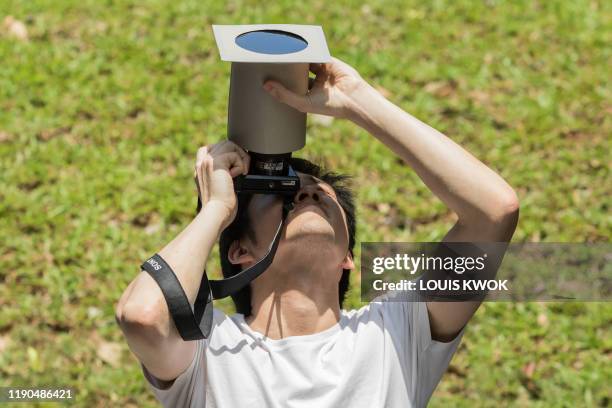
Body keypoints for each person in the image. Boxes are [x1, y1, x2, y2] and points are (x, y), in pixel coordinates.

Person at [115, 57, 519, 407]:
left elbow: (493, 212)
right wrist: (215, 208)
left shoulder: (397, 332)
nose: (306, 190)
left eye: (321, 193)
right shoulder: (208, 347)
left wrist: (359, 101)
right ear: (240, 251)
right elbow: (143, 316)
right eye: (284, 190)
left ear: (347, 257)